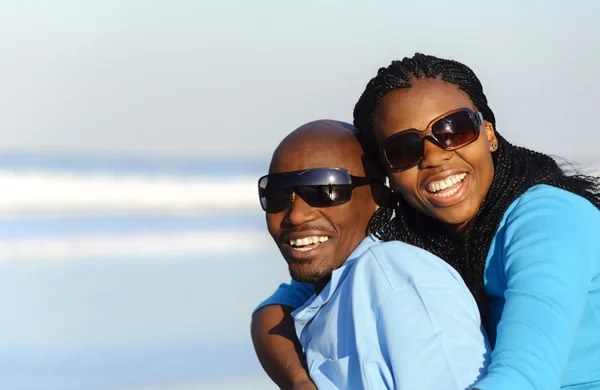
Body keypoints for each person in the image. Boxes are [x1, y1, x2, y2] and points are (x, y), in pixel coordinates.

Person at [252, 54, 600, 390]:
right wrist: (299, 381)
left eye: (455, 130)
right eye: (404, 150)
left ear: (489, 133)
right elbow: (275, 310)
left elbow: (524, 380)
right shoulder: (416, 228)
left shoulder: (550, 221)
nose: (435, 157)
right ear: (387, 175)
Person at [253, 119, 490, 389]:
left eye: (324, 190)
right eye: (277, 194)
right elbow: (271, 312)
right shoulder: (339, 278)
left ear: (380, 196)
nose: (296, 215)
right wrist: (298, 380)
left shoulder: (394, 275)